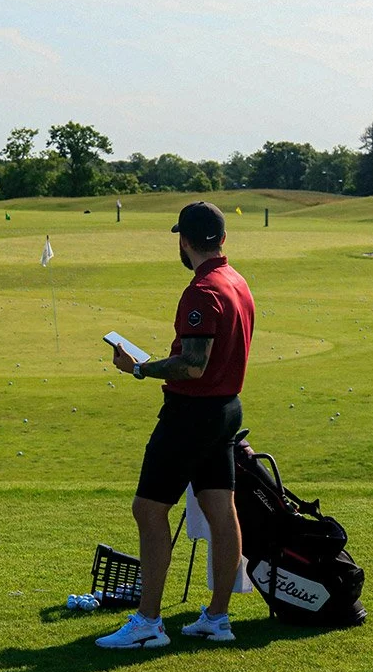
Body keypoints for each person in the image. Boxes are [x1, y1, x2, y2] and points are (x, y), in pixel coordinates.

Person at [97, 201, 255, 649]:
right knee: (221, 510)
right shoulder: (237, 280)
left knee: (148, 510)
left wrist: (139, 368)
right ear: (221, 238)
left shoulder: (202, 291)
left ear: (185, 242)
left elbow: (193, 365)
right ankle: (217, 618)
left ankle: (148, 622)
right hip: (226, 409)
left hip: (191, 415)